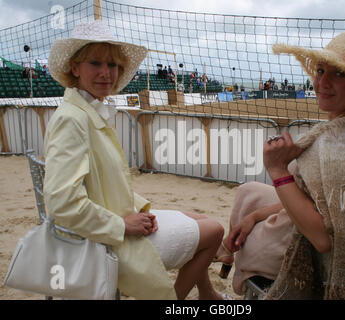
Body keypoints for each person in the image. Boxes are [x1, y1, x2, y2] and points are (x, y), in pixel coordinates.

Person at [44, 20, 226, 300]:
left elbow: (101, 182)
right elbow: (61, 202)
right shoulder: (73, 119)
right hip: (103, 243)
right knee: (214, 231)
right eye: (96, 63)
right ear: (74, 67)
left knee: (197, 218)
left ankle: (207, 292)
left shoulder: (84, 110)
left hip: (105, 227)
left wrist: (138, 208)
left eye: (114, 65)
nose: (107, 73)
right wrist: (123, 224)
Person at [214, 30, 345, 299]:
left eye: (339, 74)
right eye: (321, 70)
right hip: (332, 224)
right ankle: (227, 256)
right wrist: (255, 216)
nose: (322, 82)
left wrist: (278, 171)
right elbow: (320, 199)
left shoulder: (337, 148)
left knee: (249, 216)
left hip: (305, 249)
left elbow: (323, 240)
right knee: (248, 192)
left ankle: (236, 262)